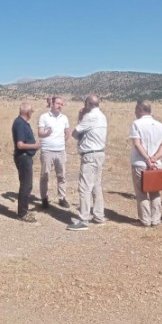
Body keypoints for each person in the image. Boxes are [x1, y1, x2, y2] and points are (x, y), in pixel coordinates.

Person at [67, 94, 108, 231]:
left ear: (88, 104)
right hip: (99, 153)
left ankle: (83, 219)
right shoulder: (102, 116)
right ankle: (98, 215)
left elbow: (75, 133)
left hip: (90, 155)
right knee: (96, 185)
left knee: (85, 187)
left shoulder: (90, 117)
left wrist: (80, 117)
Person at [130, 100, 162, 227]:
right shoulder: (160, 125)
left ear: (141, 110)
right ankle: (156, 219)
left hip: (140, 163)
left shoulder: (136, 124)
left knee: (141, 193)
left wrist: (147, 159)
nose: (135, 112)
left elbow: (137, 143)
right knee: (155, 192)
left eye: (136, 109)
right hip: (156, 164)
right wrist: (155, 158)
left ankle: (145, 220)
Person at [38, 96, 71, 209]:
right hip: (47, 151)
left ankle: (62, 198)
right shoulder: (44, 117)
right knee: (45, 176)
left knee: (61, 176)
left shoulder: (64, 118)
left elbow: (67, 132)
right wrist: (47, 134)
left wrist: (62, 141)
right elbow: (40, 133)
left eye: (61, 104)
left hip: (61, 151)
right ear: (52, 103)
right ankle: (44, 199)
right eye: (57, 103)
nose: (60, 106)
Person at [12, 103, 41, 223]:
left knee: (27, 185)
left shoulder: (22, 123)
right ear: (28, 112)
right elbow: (20, 144)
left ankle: (23, 210)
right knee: (26, 185)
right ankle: (22, 213)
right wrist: (35, 145)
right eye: (31, 112)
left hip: (26, 157)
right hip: (23, 157)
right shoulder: (19, 124)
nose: (32, 114)